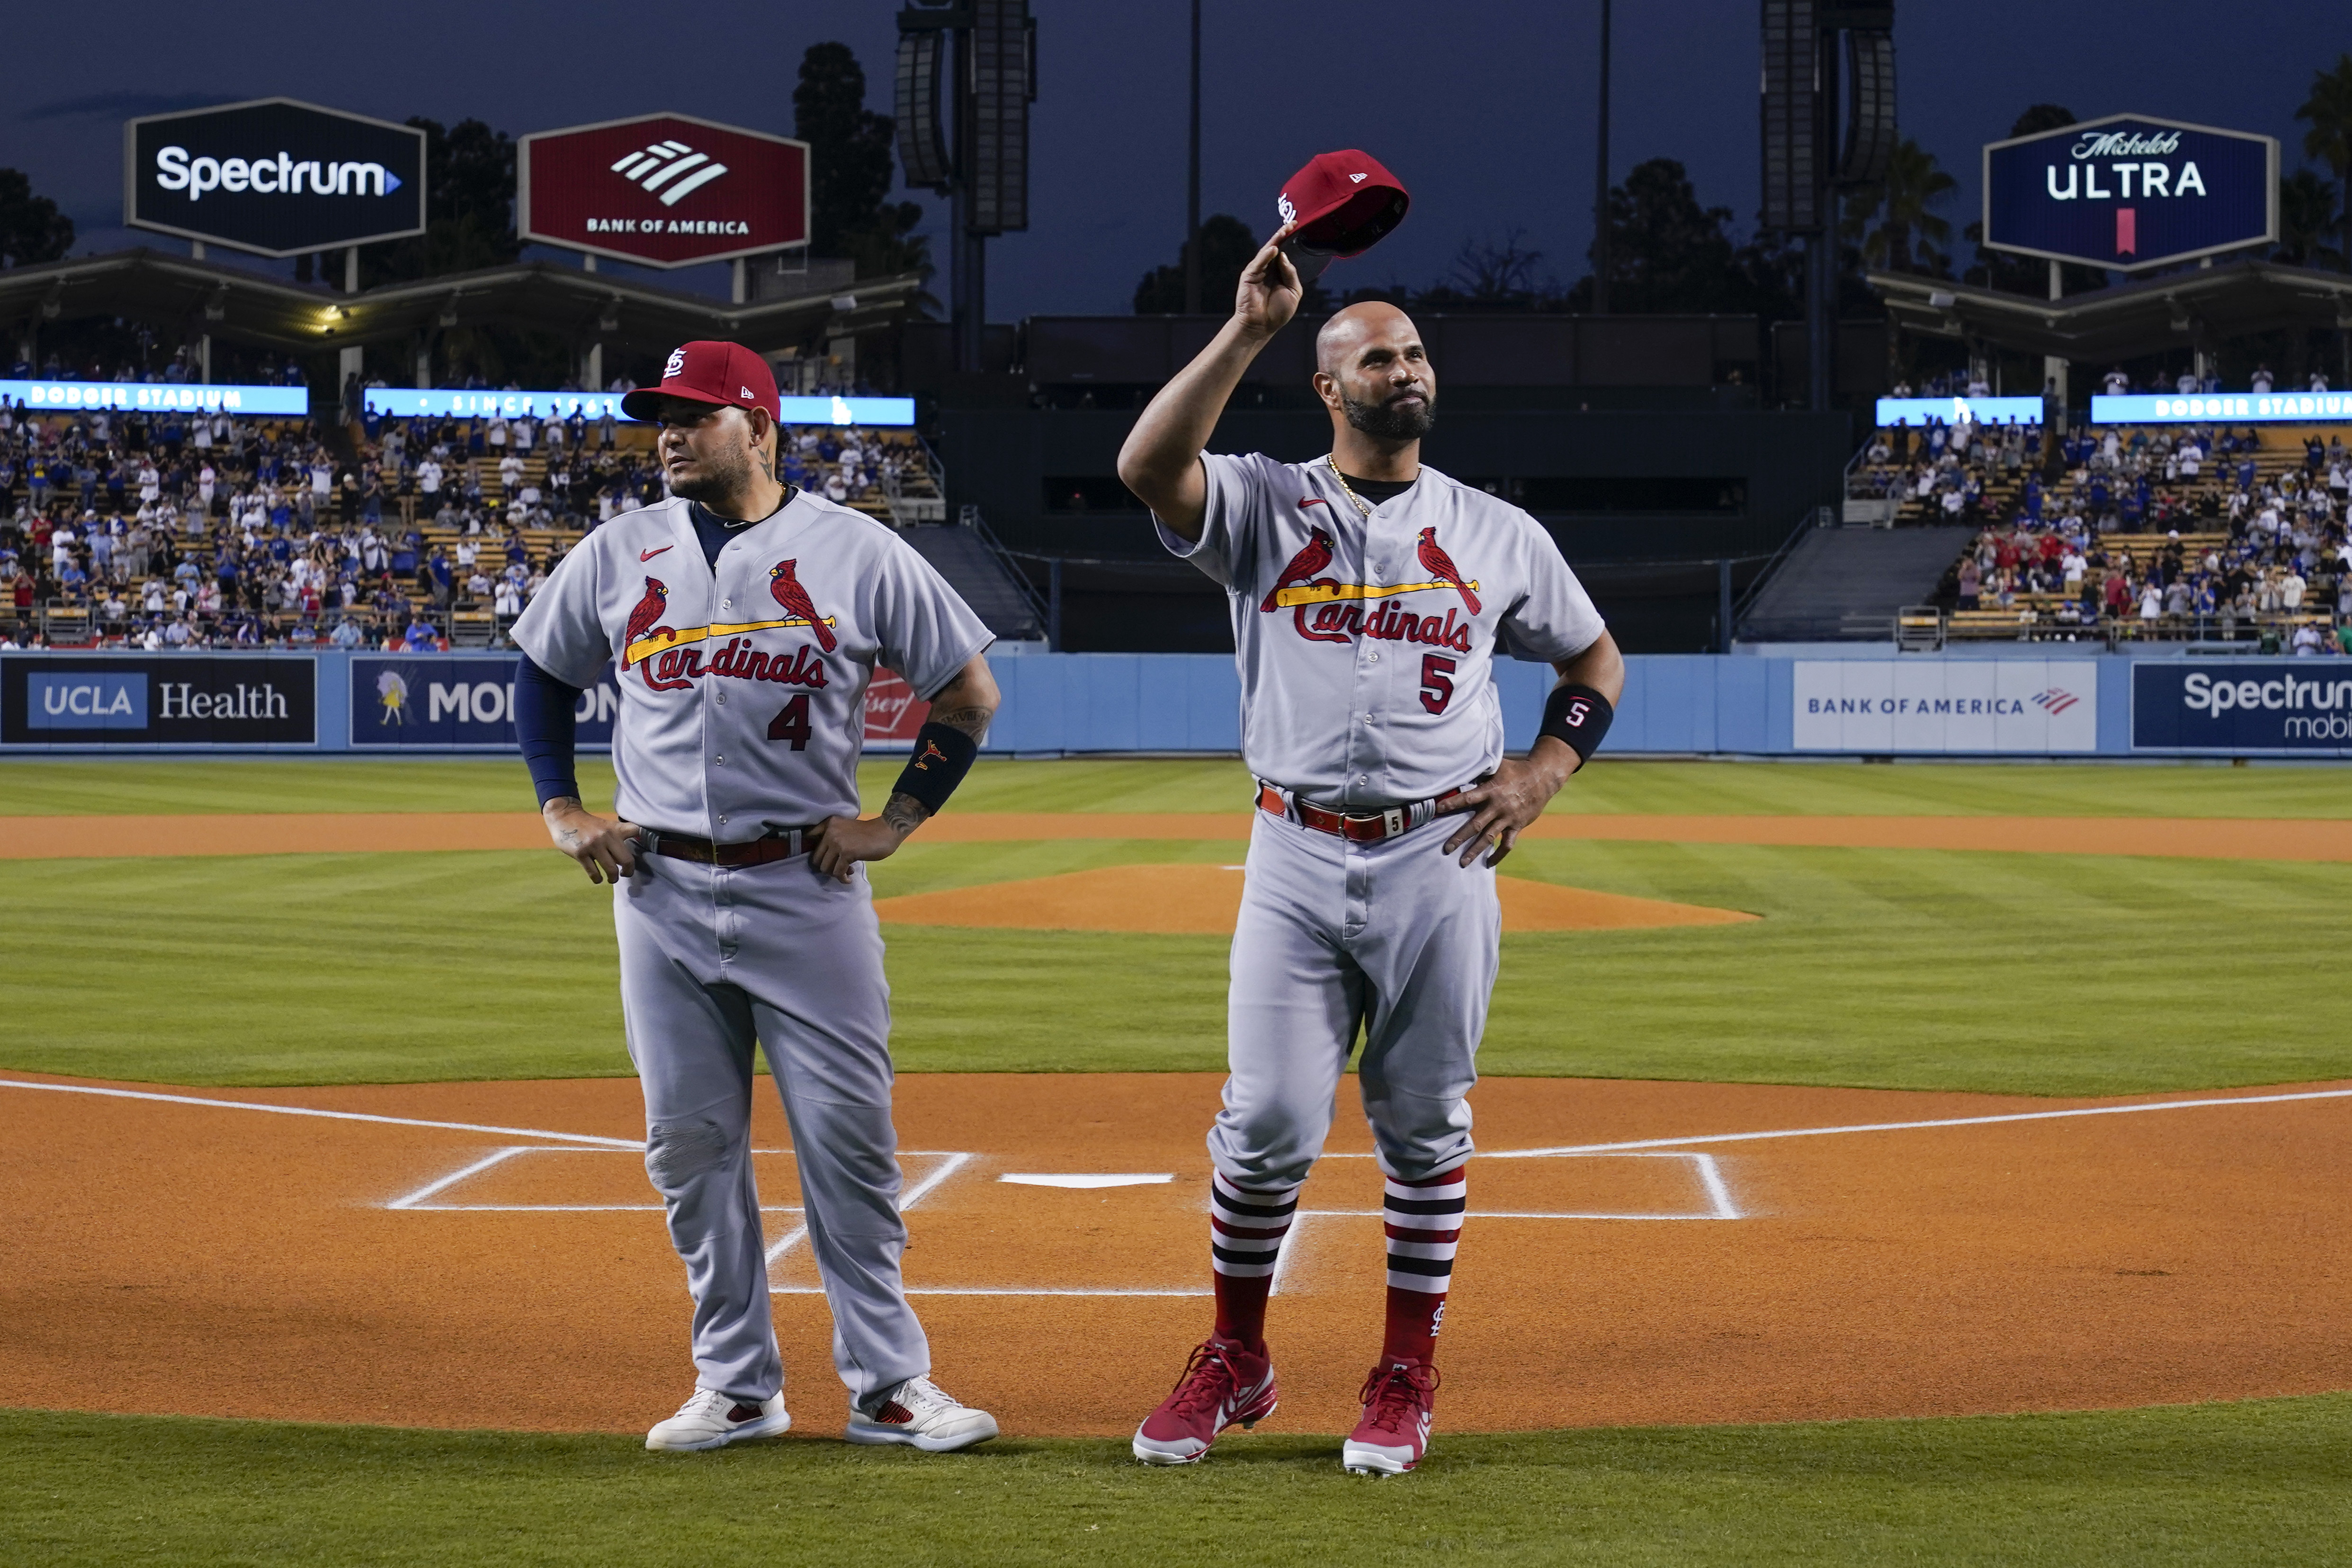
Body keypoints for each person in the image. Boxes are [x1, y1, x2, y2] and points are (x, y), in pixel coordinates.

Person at [1114, 228, 1623, 1476]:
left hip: (1438, 854)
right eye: (1375, 357)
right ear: (1329, 389)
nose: (1404, 369)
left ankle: (1406, 1374)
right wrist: (1248, 326)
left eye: (1414, 352)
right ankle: (1238, 1355)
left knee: (1424, 1124)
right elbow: (1144, 466)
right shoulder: (1260, 503)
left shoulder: (1496, 532)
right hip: (1291, 851)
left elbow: (1593, 662)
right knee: (1271, 1116)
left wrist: (1545, 768)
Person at [508, 340, 1004, 1456]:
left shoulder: (854, 551)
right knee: (689, 1146)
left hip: (805, 890)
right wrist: (563, 811)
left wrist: (894, 822)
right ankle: (736, 1385)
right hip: (660, 890)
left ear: (760, 430)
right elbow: (544, 672)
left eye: (694, 414)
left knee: (849, 1144)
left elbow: (968, 694)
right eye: (660, 416)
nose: (668, 433)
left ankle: (888, 1385)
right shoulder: (619, 551)